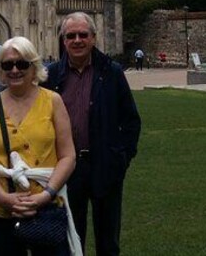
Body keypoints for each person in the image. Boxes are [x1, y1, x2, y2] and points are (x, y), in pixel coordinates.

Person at [43, 13, 141, 256]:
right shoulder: (51, 75)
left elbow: (131, 120)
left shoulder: (111, 71)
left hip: (104, 165)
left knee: (108, 242)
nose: (77, 40)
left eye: (83, 35)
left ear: (93, 38)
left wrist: (122, 158)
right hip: (66, 169)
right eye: (71, 36)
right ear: (63, 40)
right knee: (70, 240)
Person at [0, 36, 77, 256]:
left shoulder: (52, 100)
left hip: (45, 206)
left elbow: (68, 156)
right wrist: (2, 197)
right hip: (0, 208)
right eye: (7, 64)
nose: (15, 70)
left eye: (22, 64)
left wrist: (46, 195)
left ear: (34, 66)